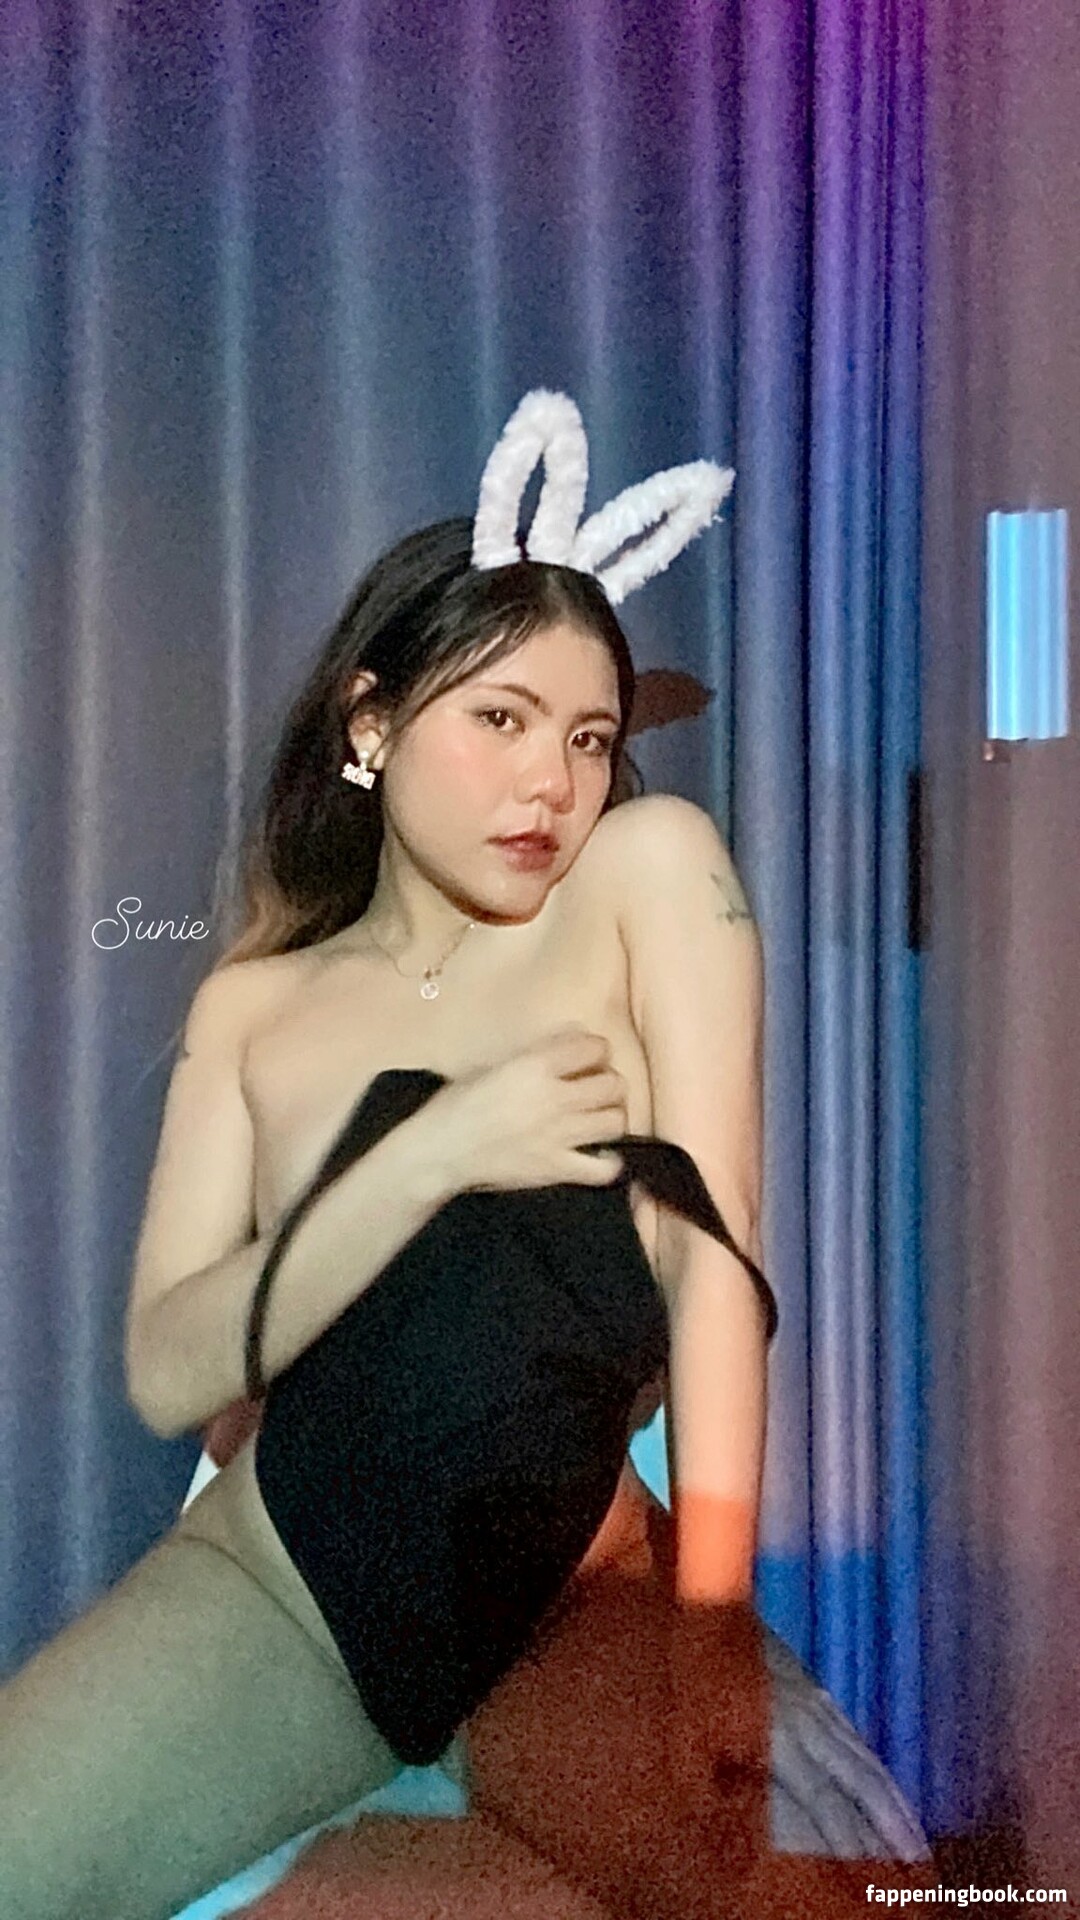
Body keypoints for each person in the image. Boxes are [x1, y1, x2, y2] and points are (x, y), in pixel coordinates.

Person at [0, 392, 929, 1919]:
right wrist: (428, 1153)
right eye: (499, 719)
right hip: (284, 1589)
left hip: (579, 1595)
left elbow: (716, 1253)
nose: (551, 781)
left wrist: (712, 1631)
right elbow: (169, 1373)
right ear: (371, 724)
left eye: (587, 736)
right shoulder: (255, 1009)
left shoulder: (648, 876)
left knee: (819, 1904)